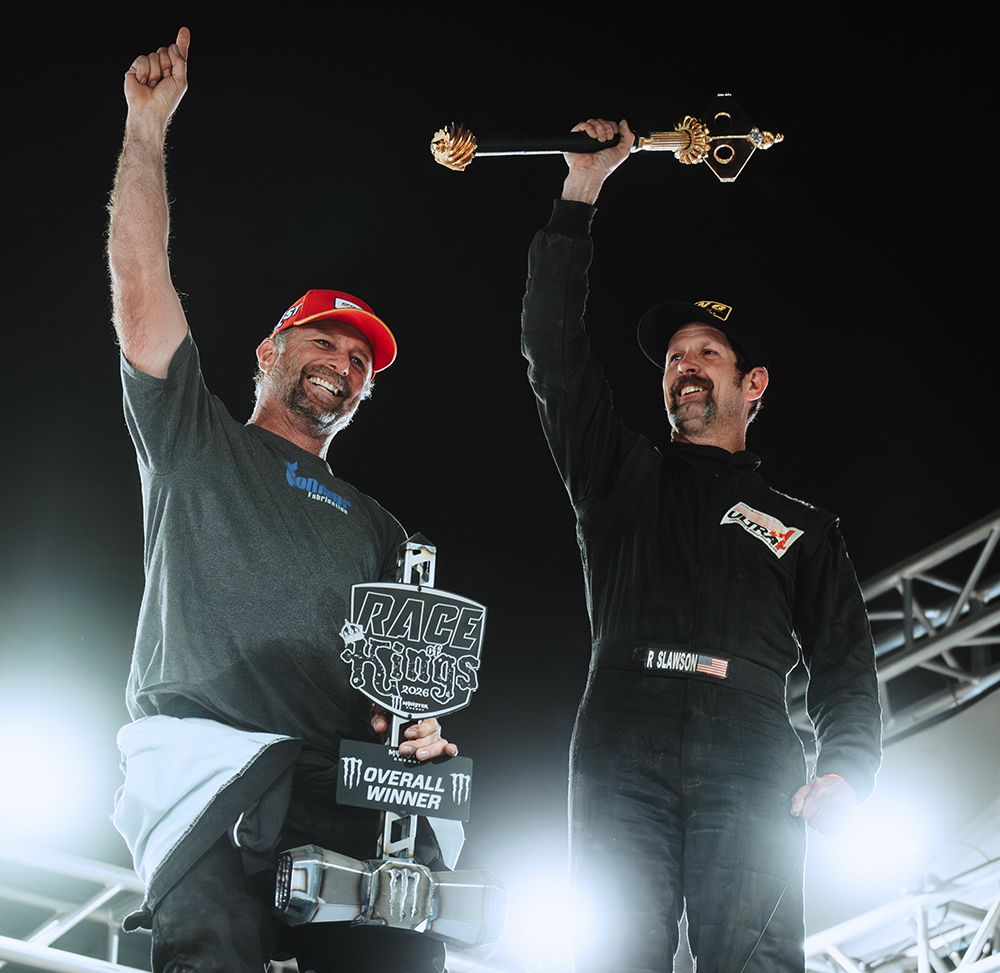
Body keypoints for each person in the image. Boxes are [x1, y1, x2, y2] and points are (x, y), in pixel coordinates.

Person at [108, 28, 457, 973]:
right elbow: (141, 283)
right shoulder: (194, 437)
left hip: (344, 786)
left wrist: (415, 724)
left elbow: (395, 689)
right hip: (215, 774)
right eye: (323, 340)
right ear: (269, 351)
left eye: (361, 361)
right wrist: (146, 129)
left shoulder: (380, 528)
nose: (342, 362)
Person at [520, 118, 881, 972]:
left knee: (756, 962)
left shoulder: (804, 527)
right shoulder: (618, 476)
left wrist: (848, 770)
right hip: (622, 736)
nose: (685, 364)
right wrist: (580, 193)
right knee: (612, 955)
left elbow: (843, 664)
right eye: (675, 356)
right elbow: (554, 355)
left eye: (707, 352)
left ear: (752, 383)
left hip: (751, 751)